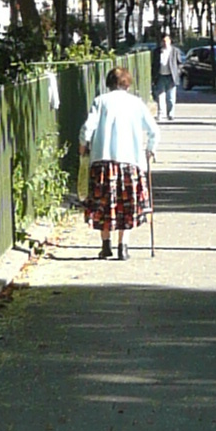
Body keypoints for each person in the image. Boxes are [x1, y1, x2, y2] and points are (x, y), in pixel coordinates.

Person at [81, 63, 159, 261]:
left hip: (103, 161)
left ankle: (105, 244)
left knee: (103, 203)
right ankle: (123, 246)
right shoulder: (136, 103)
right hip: (130, 162)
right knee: (127, 205)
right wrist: (150, 149)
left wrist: (83, 144)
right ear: (127, 83)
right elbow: (154, 130)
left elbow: (87, 127)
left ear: (109, 83)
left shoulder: (101, 101)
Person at [156, 30, 183, 121]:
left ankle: (170, 114)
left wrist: (177, 72)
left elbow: (179, 63)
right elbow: (154, 64)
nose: (165, 43)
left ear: (170, 41)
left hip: (171, 77)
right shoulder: (157, 51)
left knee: (170, 97)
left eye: (166, 41)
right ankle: (160, 113)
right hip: (160, 76)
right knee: (160, 96)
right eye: (163, 41)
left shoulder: (175, 51)